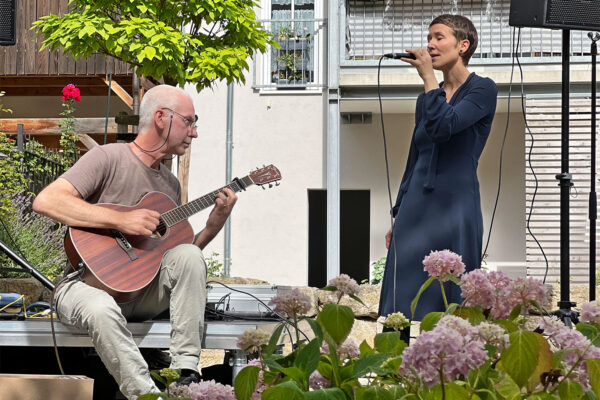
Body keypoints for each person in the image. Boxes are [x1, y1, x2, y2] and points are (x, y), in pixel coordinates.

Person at [33, 84, 237, 399]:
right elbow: (47, 201)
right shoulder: (108, 157)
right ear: (161, 118)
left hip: (139, 292)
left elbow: (176, 263)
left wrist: (212, 226)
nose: (194, 133)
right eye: (188, 121)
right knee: (101, 307)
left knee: (188, 256)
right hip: (84, 286)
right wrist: (121, 219)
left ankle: (186, 374)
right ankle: (146, 395)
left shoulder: (169, 184)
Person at [378, 14, 498, 342]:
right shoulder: (426, 99)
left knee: (453, 296)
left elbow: (445, 127)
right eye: (428, 36)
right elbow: (416, 156)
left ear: (463, 45)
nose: (430, 44)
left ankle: (454, 370)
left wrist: (428, 78)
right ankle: (393, 369)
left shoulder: (483, 89)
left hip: (455, 206)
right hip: (416, 205)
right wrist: (399, 211)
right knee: (398, 299)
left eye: (438, 37)